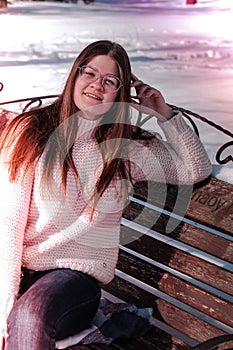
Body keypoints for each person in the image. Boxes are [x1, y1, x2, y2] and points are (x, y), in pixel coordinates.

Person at [0, 40, 212, 350]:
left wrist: (165, 116)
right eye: (90, 73)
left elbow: (196, 169)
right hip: (20, 272)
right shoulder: (30, 131)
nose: (96, 85)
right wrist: (4, 302)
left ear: (119, 94)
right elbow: (8, 221)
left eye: (109, 81)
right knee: (21, 314)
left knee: (30, 315)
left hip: (73, 282)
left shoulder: (124, 148)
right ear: (75, 75)